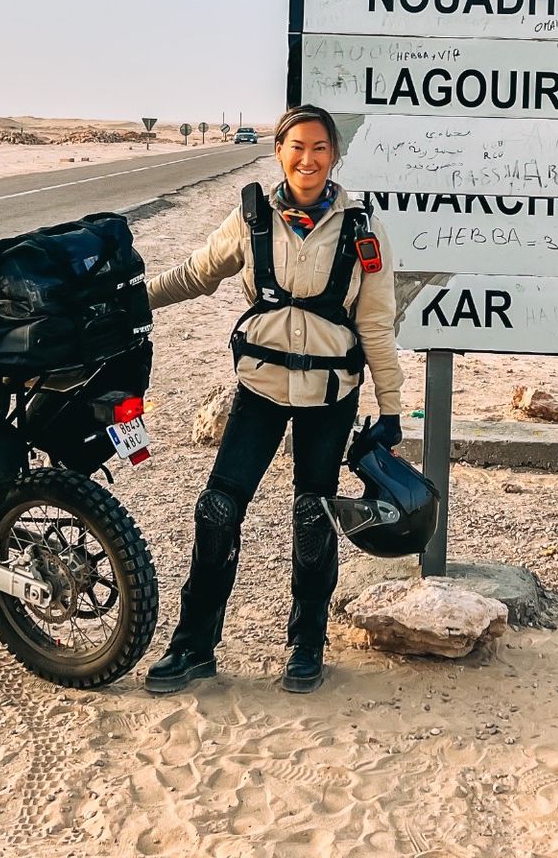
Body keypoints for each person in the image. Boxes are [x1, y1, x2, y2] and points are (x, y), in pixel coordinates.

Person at [142, 103, 404, 694]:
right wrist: (130, 301)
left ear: (333, 155)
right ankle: (193, 646)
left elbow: (378, 324)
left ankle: (306, 642)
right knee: (217, 510)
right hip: (260, 388)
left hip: (330, 394)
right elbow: (194, 274)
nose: (307, 159)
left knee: (313, 517)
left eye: (319, 148)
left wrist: (390, 409)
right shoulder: (252, 218)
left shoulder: (363, 227)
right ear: (279, 152)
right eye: (295, 147)